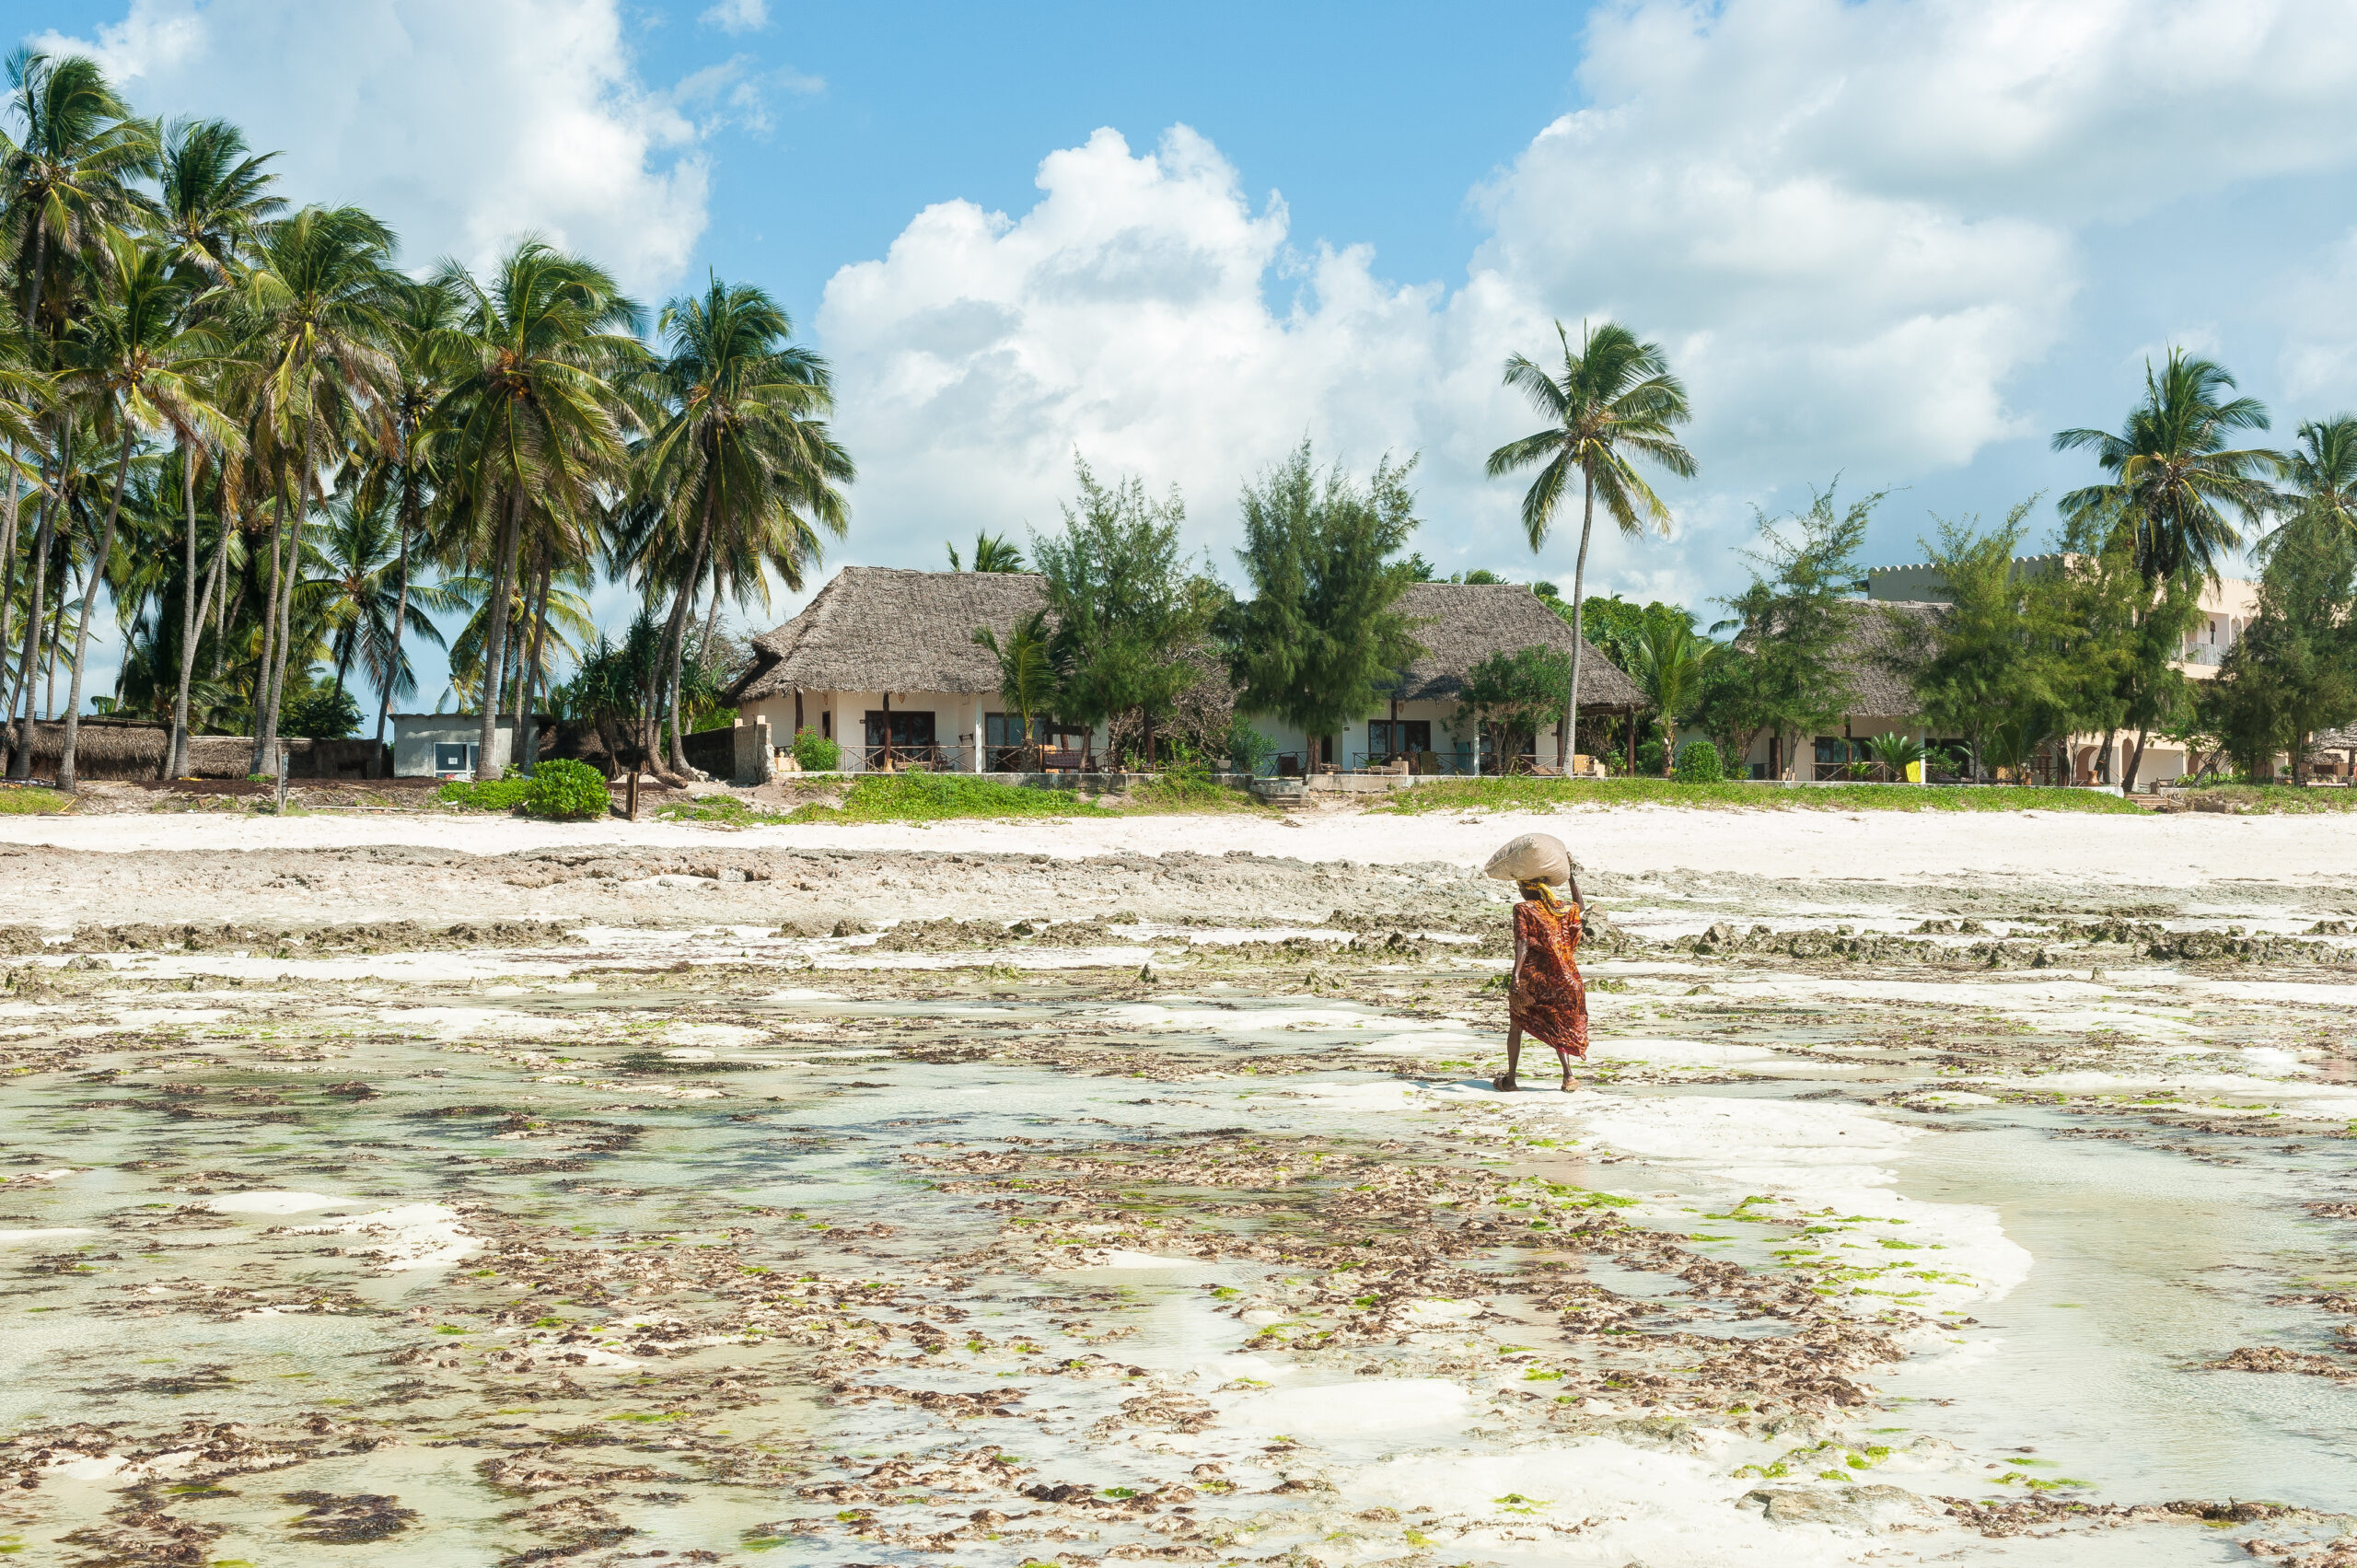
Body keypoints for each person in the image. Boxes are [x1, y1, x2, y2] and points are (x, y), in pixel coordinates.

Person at [1481, 833, 1587, 1093]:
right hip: (1567, 979)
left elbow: (1523, 943)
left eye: (1520, 886)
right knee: (1559, 1026)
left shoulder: (1524, 909)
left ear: (1525, 888)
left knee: (1516, 1025)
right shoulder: (1563, 909)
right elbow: (1580, 908)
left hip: (1535, 978)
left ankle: (1511, 1079)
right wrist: (1571, 875)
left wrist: (1516, 975)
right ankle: (1568, 1077)